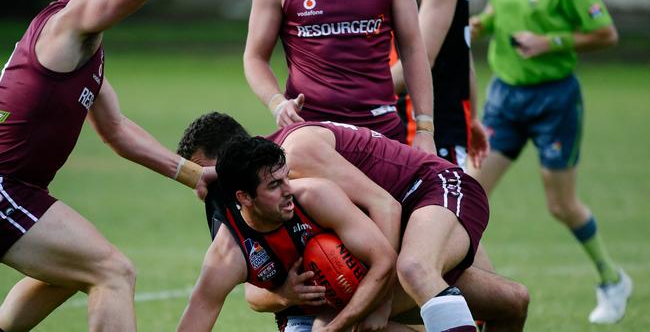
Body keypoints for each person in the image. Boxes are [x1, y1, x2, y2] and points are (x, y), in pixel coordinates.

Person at [0, 0, 215, 330]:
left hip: (19, 189)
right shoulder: (74, 19)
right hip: (5, 187)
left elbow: (117, 130)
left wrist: (198, 176)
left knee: (72, 268)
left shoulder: (75, 38)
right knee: (111, 272)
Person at [178, 112, 530, 331]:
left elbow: (386, 206)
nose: (202, 186)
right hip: (389, 234)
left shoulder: (294, 167)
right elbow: (252, 281)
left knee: (412, 270)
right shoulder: (243, 205)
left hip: (430, 190)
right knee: (511, 302)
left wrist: (379, 305)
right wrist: (284, 293)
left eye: (205, 172)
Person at [469, 0, 631, 324]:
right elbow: (500, 8)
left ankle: (612, 280)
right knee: (467, 197)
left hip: (554, 100)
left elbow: (606, 33)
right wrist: (484, 22)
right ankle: (479, 301)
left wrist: (551, 41)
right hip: (504, 98)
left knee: (561, 204)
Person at [176, 137, 398, 332]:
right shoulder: (229, 253)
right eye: (274, 185)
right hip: (306, 314)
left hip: (377, 283)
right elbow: (199, 316)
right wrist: (284, 295)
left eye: (286, 177)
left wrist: (339, 325)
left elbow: (385, 259)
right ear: (244, 198)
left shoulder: (315, 196)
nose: (288, 190)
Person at [243, 0, 436, 153]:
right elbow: (255, 57)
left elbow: (413, 49)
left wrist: (425, 129)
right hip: (312, 133)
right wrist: (278, 104)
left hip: (381, 129)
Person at [390, 0, 489, 170]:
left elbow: (420, 61)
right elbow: (463, 52)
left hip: (432, 132)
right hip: (397, 125)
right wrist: (473, 119)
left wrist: (353, 96)